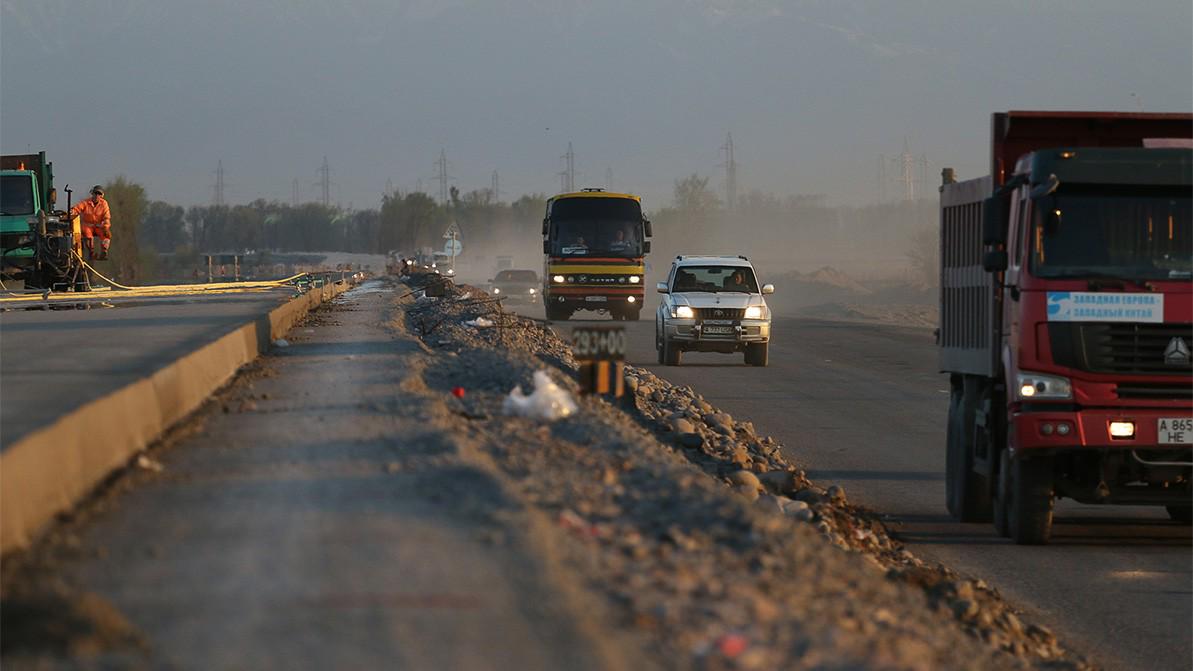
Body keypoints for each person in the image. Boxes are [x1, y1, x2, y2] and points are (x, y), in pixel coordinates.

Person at [70, 185, 112, 260]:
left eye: (99, 194)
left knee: (106, 236)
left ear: (101, 196)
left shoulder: (104, 204)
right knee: (88, 235)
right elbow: (77, 208)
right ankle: (91, 252)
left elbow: (107, 217)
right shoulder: (86, 202)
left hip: (99, 226)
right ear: (92, 194)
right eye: (95, 193)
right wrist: (71, 212)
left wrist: (106, 227)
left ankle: (104, 252)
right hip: (87, 225)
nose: (97, 195)